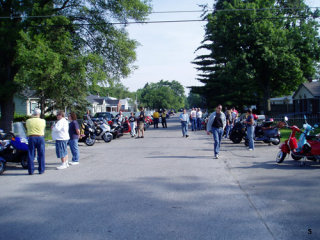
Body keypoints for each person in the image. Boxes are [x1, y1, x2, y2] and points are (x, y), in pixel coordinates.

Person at [26, 108, 46, 175]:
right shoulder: (43, 121)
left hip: (31, 137)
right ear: (39, 114)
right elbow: (43, 127)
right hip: (40, 137)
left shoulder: (28, 121)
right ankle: (41, 169)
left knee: (31, 154)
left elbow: (27, 127)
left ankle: (31, 170)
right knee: (41, 154)